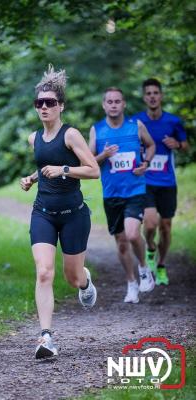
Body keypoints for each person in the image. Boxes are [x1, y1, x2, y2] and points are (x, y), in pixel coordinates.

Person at [20, 65, 99, 359]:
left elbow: (93, 171)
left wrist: (64, 169)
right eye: (39, 103)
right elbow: (45, 167)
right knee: (43, 272)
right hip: (42, 212)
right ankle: (46, 338)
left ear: (60, 106)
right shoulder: (34, 138)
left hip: (73, 214)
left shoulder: (71, 135)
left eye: (50, 102)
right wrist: (33, 177)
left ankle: (85, 280)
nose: (44, 107)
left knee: (72, 277)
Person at [89, 87, 155, 304]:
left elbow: (151, 144)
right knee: (121, 242)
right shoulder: (96, 130)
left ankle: (144, 269)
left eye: (118, 101)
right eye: (110, 101)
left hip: (135, 190)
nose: (114, 105)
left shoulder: (135, 126)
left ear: (124, 104)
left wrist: (145, 163)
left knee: (133, 234)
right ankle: (131, 282)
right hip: (112, 194)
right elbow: (88, 163)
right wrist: (104, 155)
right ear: (104, 105)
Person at [132, 78, 188, 285]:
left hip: (167, 182)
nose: (152, 96)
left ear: (161, 96)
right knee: (150, 222)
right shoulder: (137, 122)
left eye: (156, 93)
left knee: (165, 226)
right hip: (146, 181)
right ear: (144, 97)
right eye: (149, 93)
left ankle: (162, 265)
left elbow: (186, 145)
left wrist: (178, 145)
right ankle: (150, 248)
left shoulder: (173, 121)